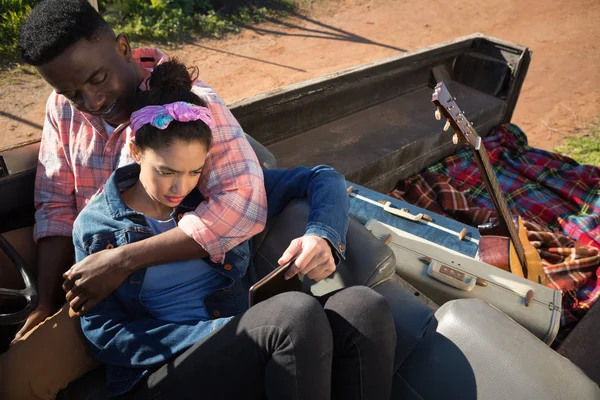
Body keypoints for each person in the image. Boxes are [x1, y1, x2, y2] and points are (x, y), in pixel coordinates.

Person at [73, 58, 396, 399]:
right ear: (136, 150)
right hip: (161, 374)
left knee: (363, 307)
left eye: (193, 171)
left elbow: (323, 177)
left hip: (247, 337)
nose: (179, 188)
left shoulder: (219, 198)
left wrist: (322, 234)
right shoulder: (97, 228)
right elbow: (105, 334)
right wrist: (218, 331)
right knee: (293, 315)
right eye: (166, 171)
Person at [8, 0, 270, 342]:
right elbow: (56, 205)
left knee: (20, 379)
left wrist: (121, 262)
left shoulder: (187, 108)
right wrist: (46, 303)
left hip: (160, 301)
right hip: (97, 295)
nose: (92, 103)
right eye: (73, 95)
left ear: (123, 47)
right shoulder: (61, 108)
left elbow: (243, 206)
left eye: (98, 79)